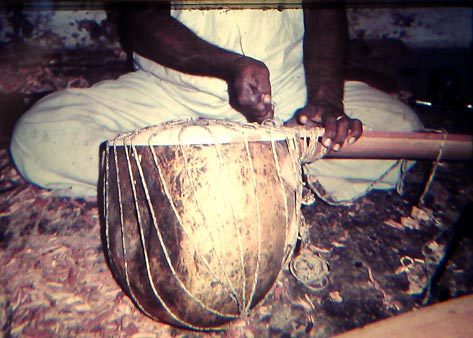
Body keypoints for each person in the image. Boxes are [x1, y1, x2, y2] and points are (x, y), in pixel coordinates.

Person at [10, 2, 422, 202]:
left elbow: (325, 16)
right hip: (171, 97)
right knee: (40, 134)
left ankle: (191, 184)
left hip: (286, 99)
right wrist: (228, 65)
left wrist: (325, 103)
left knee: (403, 127)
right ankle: (269, 182)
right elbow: (140, 21)